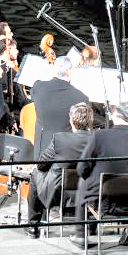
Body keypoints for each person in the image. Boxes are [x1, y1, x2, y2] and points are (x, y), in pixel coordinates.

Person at [25, 101, 95, 237]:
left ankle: (33, 226)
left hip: (59, 194)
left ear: (71, 120)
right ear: (91, 121)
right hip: (88, 192)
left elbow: (41, 164)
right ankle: (91, 226)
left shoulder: (60, 139)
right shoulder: (97, 140)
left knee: (35, 174)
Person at [75, 100, 128, 218]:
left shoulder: (100, 136)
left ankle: (81, 232)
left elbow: (82, 168)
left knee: (82, 181)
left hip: (102, 198)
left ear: (116, 116)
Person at [29, 58, 89, 155]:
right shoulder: (81, 98)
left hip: (41, 151)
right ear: (68, 72)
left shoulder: (38, 87)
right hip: (64, 154)